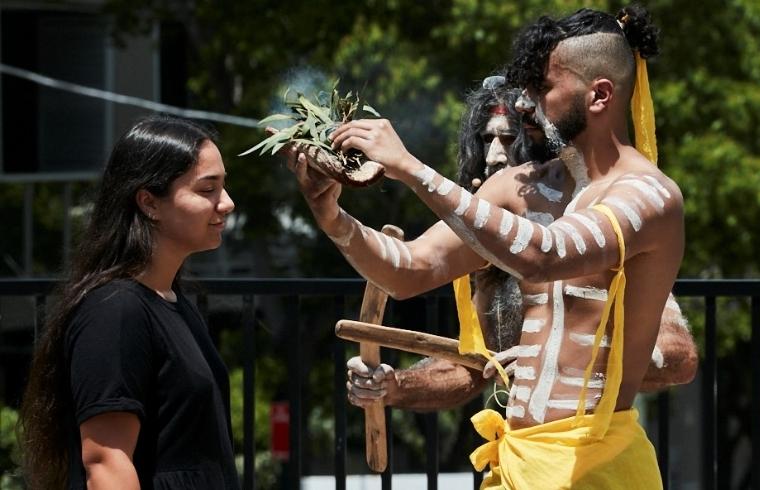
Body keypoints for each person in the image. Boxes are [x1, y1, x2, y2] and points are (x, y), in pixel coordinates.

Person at [292, 3, 691, 487]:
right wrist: (331, 217)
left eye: (542, 87)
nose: (524, 103)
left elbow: (543, 256)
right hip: (519, 461)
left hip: (600, 465)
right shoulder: (518, 188)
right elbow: (410, 269)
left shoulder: (650, 197)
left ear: (600, 95)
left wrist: (411, 169)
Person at [345, 73, 695, 411]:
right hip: (521, 440)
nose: (495, 156)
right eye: (487, 140)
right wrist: (395, 386)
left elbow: (678, 356)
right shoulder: (487, 250)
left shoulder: (592, 229)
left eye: (510, 139)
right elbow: (475, 364)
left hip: (593, 439)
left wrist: (557, 361)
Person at [19, 115, 239, 489]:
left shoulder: (174, 304)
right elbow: (106, 463)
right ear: (149, 202)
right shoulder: (115, 310)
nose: (227, 203)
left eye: (223, 186)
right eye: (207, 189)